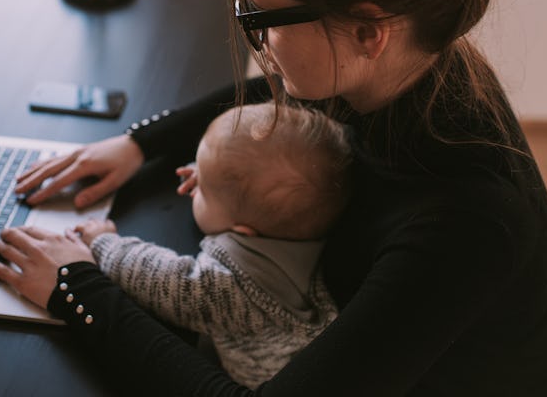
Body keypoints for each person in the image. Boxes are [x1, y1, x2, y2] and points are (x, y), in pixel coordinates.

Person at [0, 0, 547, 394]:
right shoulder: (409, 64)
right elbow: (288, 91)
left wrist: (76, 286)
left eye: (264, 17)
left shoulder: (467, 223)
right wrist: (138, 144)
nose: (257, 37)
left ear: (368, 31)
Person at [71, 102, 351, 389]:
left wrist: (104, 244)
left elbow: (162, 281)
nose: (196, 189)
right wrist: (218, 182)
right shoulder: (302, 232)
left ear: (242, 230)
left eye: (203, 188)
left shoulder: (231, 289)